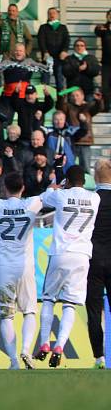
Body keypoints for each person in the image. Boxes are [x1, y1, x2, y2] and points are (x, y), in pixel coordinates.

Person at [34, 165, 101, 368]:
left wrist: (59, 186)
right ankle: (60, 346)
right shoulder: (95, 198)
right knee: (70, 304)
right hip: (82, 255)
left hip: (60, 252)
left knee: (48, 299)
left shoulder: (61, 196)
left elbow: (43, 198)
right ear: (85, 180)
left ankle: (44, 343)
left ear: (68, 181)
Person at [0, 171, 43, 369]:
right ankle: (26, 349)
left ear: (5, 188)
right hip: (26, 267)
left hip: (5, 268)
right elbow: (49, 193)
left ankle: (14, 360)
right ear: (22, 187)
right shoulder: (31, 203)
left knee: (6, 315)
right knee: (30, 311)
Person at [87, 158, 111, 369]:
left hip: (92, 260)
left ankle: (99, 357)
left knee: (94, 310)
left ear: (95, 176)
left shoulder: (90, 199)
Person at [38, 8, 70, 91]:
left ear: (57, 15)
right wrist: (45, 52)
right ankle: (45, 102)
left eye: (54, 13)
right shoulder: (43, 27)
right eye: (50, 13)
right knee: (45, 82)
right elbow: (41, 41)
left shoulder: (63, 27)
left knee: (60, 82)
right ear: (48, 15)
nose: (52, 15)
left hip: (59, 59)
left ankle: (61, 103)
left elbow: (67, 40)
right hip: (47, 58)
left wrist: (64, 51)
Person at [94, 10, 111, 101]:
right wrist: (99, 28)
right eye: (110, 15)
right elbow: (97, 32)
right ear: (107, 16)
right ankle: (107, 107)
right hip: (106, 63)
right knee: (105, 86)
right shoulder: (103, 28)